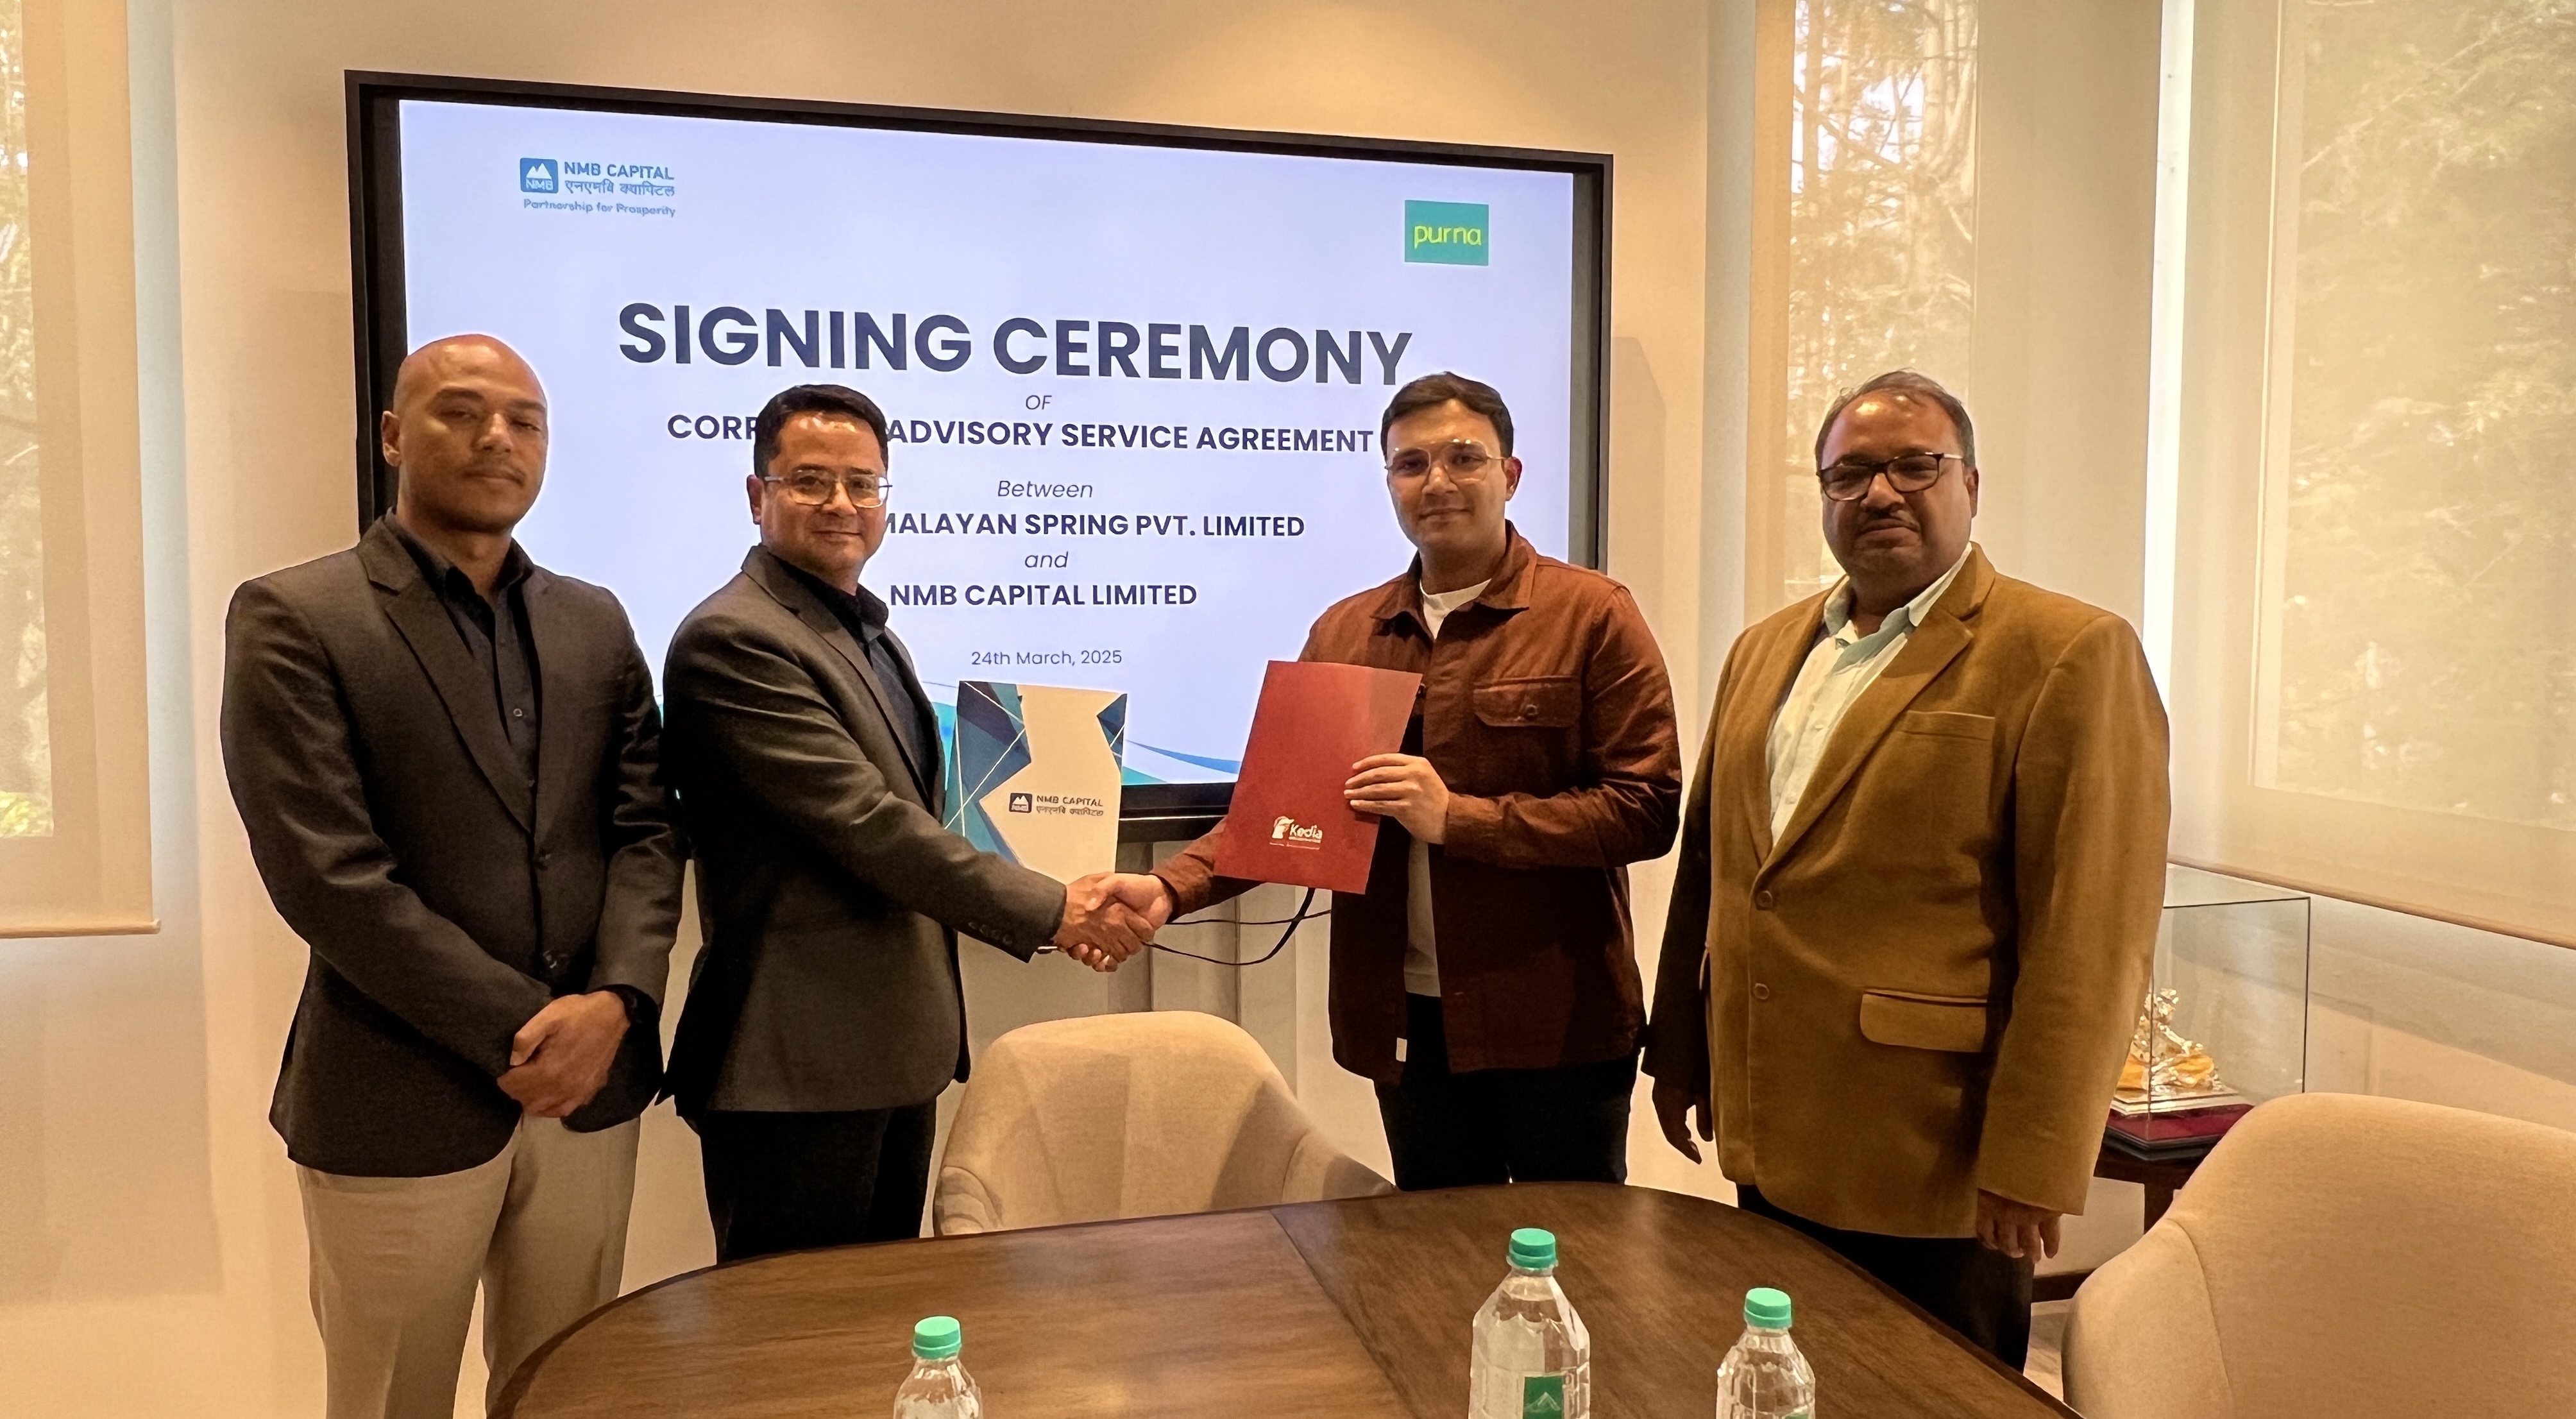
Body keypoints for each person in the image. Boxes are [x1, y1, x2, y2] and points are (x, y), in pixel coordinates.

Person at [1645, 370, 2169, 1365]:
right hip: (1774, 1131)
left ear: (1971, 483)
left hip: (1936, 1157)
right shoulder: (1764, 650)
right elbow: (1716, 869)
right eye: (1849, 474)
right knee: (1784, 1384)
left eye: (1914, 466)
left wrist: (2038, 1158)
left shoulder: (2067, 651)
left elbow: (2091, 936)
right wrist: (1682, 1051)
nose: (1880, 493)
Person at [221, 336, 683, 1419]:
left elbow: (645, 831)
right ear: (393, 436)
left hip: (589, 1090)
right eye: (462, 412)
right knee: (394, 1400)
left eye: (525, 420)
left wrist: (617, 1002)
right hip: (398, 1093)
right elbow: (328, 876)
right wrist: (529, 1029)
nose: (497, 439)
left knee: (568, 1391)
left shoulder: (594, 619)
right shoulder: (297, 614)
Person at [1109, 371, 1682, 1189]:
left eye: (1464, 459)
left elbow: (1646, 809)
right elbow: (1281, 816)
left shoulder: (1593, 615)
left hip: (1556, 1020)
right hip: (1407, 1022)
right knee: (1433, 1250)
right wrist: (1168, 889)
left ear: (1510, 474)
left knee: (1572, 1249)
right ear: (1390, 483)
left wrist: (1458, 819)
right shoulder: (1346, 631)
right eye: (1411, 464)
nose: (1437, 482)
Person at [662, 382, 1156, 1261]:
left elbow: (926, 815)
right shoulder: (734, 638)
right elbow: (868, 824)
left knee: (881, 1315)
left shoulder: (871, 635)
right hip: (797, 1066)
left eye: (863, 483)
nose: (841, 504)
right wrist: (1055, 908)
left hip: (891, 1053)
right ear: (757, 494)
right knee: (795, 1330)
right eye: (810, 481)